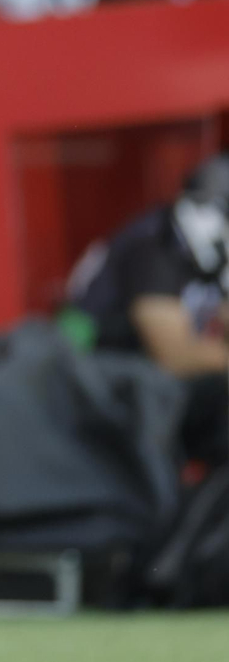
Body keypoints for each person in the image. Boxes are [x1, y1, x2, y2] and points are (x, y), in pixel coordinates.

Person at [67, 157, 229, 474]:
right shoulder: (154, 246)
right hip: (98, 385)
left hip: (145, 386)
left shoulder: (207, 256)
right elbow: (173, 355)